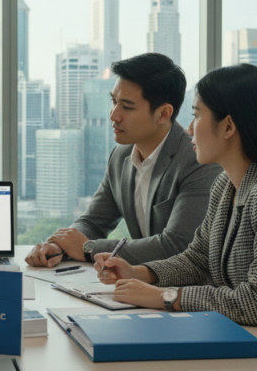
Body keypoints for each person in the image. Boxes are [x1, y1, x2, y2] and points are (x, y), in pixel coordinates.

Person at [94, 63, 257, 367]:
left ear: (228, 126)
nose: (189, 129)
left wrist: (164, 297)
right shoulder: (226, 185)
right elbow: (197, 259)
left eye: (196, 115)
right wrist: (139, 273)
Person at [26, 53, 221, 268]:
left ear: (164, 113)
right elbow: (93, 222)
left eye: (126, 107)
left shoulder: (197, 161)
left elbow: (177, 246)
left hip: (182, 293)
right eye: (113, 101)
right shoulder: (121, 156)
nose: (113, 115)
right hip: (135, 284)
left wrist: (88, 248)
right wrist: (59, 246)